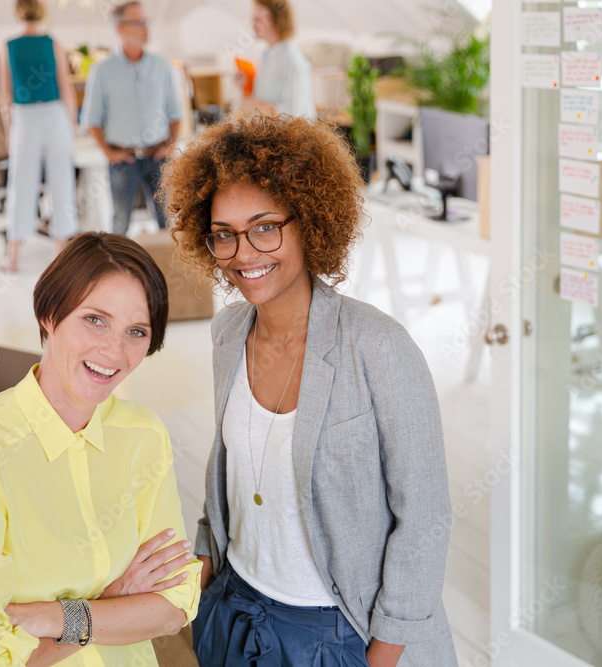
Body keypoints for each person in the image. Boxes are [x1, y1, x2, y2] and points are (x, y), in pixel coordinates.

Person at [162, 112, 457, 666]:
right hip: (236, 613)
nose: (245, 253)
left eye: (265, 226)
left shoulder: (378, 347)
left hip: (342, 632)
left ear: (311, 222)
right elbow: (228, 481)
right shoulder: (227, 333)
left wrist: (382, 658)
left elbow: (424, 518)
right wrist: (187, 592)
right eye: (224, 235)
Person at [0, 232, 202, 666]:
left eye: (136, 331)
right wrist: (112, 601)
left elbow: (175, 605)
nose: (113, 350)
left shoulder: (144, 435)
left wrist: (51, 618)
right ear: (49, 313)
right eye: (95, 319)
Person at [82, 1, 181, 236]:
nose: (146, 28)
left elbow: (175, 113)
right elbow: (92, 119)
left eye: (146, 22)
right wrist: (109, 153)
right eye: (138, 23)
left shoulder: (162, 66)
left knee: (167, 223)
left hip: (158, 157)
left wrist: (171, 146)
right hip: (123, 160)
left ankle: (168, 271)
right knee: (120, 224)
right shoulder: (102, 70)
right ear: (121, 29)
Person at [0, 0, 78, 272]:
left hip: (24, 116)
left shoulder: (8, 46)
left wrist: (10, 131)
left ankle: (13, 255)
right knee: (61, 179)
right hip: (54, 115)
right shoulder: (53, 43)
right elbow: (66, 88)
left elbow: (5, 96)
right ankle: (58, 250)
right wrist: (73, 124)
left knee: (21, 182)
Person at [243, 0, 316, 119]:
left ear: (271, 19)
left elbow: (294, 114)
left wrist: (257, 105)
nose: (253, 24)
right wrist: (244, 86)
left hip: (293, 136)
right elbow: (262, 97)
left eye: (257, 19)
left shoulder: (292, 61)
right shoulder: (266, 56)